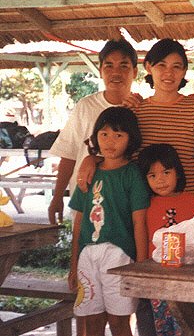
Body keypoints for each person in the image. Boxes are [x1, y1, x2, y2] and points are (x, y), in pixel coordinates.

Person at [79, 39, 194, 214]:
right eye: (161, 65)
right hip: (144, 207)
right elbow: (120, 156)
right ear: (149, 67)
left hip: (188, 205)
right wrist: (92, 159)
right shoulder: (134, 110)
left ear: (184, 71)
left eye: (176, 67)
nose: (169, 73)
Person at [68, 107, 149, 336]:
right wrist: (74, 264)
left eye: (118, 135)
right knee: (92, 323)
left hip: (120, 256)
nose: (110, 141)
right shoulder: (89, 173)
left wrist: (141, 268)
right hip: (87, 255)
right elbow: (79, 222)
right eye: (104, 134)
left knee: (119, 322)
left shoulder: (132, 175)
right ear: (95, 137)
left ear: (131, 139)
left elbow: (139, 223)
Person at [49, 39, 137, 225]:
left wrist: (95, 159)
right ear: (100, 71)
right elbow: (69, 153)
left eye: (124, 66)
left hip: (123, 203)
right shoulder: (85, 106)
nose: (116, 72)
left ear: (135, 72)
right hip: (86, 197)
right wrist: (57, 197)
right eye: (109, 66)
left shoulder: (139, 109)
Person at [137, 143, 194, 334]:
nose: (160, 180)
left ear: (178, 173)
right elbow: (141, 239)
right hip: (156, 279)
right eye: (152, 175)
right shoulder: (144, 205)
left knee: (192, 325)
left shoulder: (192, 200)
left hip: (190, 279)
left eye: (166, 172)